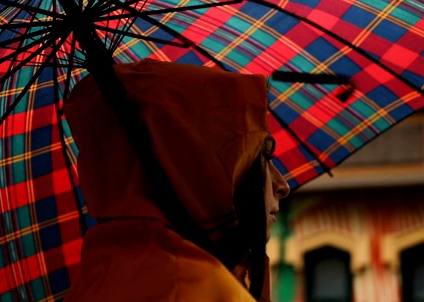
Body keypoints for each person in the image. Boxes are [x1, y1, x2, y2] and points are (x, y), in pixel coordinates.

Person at [63, 59, 290, 301]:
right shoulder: (198, 288)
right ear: (199, 167)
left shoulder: (99, 276)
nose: (282, 186)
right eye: (262, 156)